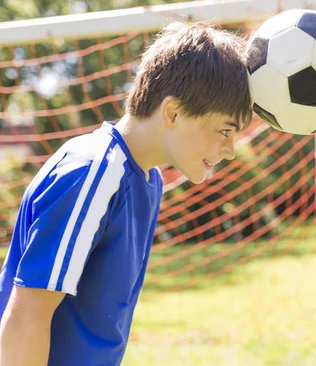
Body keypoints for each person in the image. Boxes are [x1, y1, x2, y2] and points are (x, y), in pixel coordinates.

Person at [0, 21, 252, 366]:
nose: (230, 150)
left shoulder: (148, 178)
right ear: (173, 112)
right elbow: (27, 315)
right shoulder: (93, 173)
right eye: (225, 130)